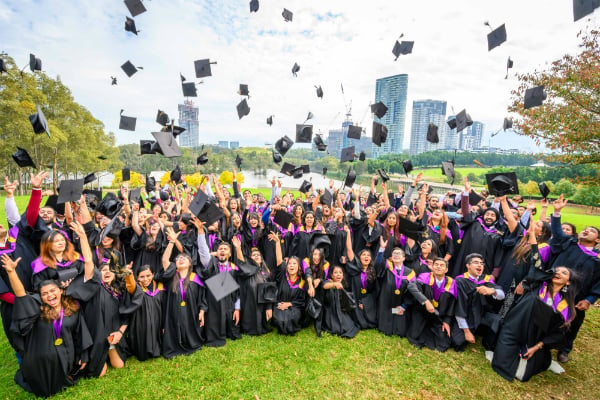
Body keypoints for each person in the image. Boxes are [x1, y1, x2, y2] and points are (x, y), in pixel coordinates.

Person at [492, 227, 576, 381]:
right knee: (502, 363)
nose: (558, 273)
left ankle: (543, 359)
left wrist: (536, 346)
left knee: (523, 373)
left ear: (568, 282)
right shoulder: (538, 285)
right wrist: (532, 236)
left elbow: (557, 334)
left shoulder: (564, 306)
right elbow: (536, 260)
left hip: (535, 340)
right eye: (557, 271)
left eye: (564, 273)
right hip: (515, 330)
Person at [2, 253, 92, 397]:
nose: (50, 295)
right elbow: (21, 294)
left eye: (52, 291)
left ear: (61, 291)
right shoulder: (38, 311)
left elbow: (80, 334)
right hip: (39, 362)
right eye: (44, 293)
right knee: (46, 391)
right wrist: (11, 272)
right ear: (40, 297)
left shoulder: (72, 310)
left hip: (65, 355)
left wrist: (84, 355)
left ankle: (64, 374)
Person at [543, 195, 600, 363]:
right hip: (553, 287)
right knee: (545, 313)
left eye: (591, 231)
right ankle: (538, 339)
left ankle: (564, 348)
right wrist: (557, 212)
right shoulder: (569, 243)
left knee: (572, 322)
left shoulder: (597, 259)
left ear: (597, 240)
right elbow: (558, 233)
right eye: (585, 229)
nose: (586, 230)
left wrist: (590, 299)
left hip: (577, 296)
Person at [155, 229, 207, 358]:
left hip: (191, 310)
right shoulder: (172, 275)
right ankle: (174, 345)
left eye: (184, 258)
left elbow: (202, 297)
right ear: (175, 265)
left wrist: (202, 311)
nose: (181, 259)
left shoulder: (196, 278)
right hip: (173, 309)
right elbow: (165, 260)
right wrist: (172, 242)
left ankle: (190, 342)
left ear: (190, 263)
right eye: (178, 258)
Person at [195, 218, 242, 347]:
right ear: (216, 252)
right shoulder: (211, 264)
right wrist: (200, 231)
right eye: (220, 249)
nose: (222, 250)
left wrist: (237, 309)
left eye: (225, 249)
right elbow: (204, 252)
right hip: (213, 304)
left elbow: (238, 293)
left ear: (229, 253)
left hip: (229, 304)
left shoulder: (233, 268)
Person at [451, 253, 505, 351]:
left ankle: (487, 344)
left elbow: (502, 295)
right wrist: (466, 331)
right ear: (468, 266)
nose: (480, 265)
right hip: (465, 315)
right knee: (458, 343)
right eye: (476, 263)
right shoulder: (460, 281)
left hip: (480, 314)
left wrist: (492, 291)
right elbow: (459, 307)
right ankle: (469, 330)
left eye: (481, 263)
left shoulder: (485, 279)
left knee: (498, 320)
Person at [408, 258, 457, 351]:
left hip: (438, 316)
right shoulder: (424, 277)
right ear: (432, 267)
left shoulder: (451, 282)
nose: (438, 267)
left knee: (444, 341)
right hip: (422, 312)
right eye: (436, 264)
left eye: (442, 265)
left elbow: (452, 304)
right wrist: (426, 301)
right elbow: (411, 286)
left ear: (446, 270)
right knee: (414, 336)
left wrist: (447, 321)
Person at [375, 236, 416, 337]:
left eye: (399, 254)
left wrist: (404, 306)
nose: (396, 255)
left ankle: (400, 312)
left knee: (401, 330)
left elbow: (412, 292)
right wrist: (382, 249)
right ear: (391, 257)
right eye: (394, 253)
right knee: (385, 329)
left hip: (400, 305)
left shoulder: (410, 273)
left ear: (404, 258)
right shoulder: (387, 267)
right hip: (386, 305)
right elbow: (377, 265)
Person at [126, 264, 165, 361]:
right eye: (142, 277)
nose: (145, 279)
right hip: (141, 320)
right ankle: (144, 351)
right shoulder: (137, 288)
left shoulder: (159, 287)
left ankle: (156, 349)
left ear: (153, 274)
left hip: (157, 317)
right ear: (137, 277)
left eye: (148, 275)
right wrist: (128, 275)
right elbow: (130, 285)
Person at [344, 225, 378, 330]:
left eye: (368, 255)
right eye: (363, 255)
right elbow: (349, 249)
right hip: (354, 298)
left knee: (371, 322)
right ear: (359, 257)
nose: (366, 257)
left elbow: (373, 292)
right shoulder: (355, 267)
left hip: (367, 300)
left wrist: (364, 303)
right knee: (361, 324)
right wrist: (348, 233)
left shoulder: (372, 271)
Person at [321, 265, 360, 338]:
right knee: (336, 329)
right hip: (330, 312)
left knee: (349, 326)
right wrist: (335, 284)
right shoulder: (328, 282)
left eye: (340, 272)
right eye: (335, 272)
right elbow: (324, 286)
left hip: (341, 311)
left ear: (343, 275)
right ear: (332, 275)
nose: (338, 274)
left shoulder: (344, 284)